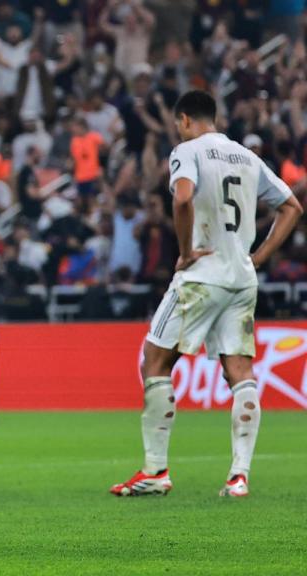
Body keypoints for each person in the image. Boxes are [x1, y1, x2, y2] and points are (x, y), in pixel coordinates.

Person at [110, 90, 303, 498]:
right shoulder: (246, 157)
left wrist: (184, 253)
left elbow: (182, 198)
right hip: (241, 278)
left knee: (155, 359)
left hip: (201, 275)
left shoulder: (187, 151)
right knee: (240, 372)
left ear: (183, 120)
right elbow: (292, 207)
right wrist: (260, 256)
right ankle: (239, 476)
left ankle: (156, 470)